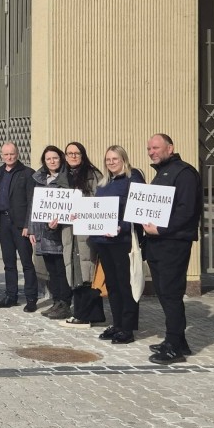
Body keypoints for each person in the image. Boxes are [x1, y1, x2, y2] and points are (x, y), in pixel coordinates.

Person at [143, 133, 202, 365]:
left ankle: (173, 347)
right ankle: (178, 340)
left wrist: (161, 229)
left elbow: (186, 212)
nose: (152, 152)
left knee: (171, 294)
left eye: (156, 148)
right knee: (165, 293)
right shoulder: (162, 174)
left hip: (173, 243)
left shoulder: (184, 173)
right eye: (149, 149)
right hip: (158, 243)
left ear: (170, 148)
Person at [90, 145, 145, 345]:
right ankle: (118, 323)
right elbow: (96, 210)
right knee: (112, 284)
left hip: (122, 241)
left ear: (123, 159)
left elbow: (139, 209)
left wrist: (122, 227)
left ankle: (128, 328)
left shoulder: (133, 178)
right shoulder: (104, 183)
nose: (111, 162)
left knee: (125, 284)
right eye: (108, 159)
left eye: (115, 159)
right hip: (103, 241)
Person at [0, 142, 38, 312]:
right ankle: (10, 296)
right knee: (8, 262)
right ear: (1, 155)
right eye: (6, 155)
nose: (9, 157)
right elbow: (4, 193)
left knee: (27, 263)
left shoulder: (28, 173)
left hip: (20, 225)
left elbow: (32, 201)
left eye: (12, 154)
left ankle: (31, 299)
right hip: (4, 221)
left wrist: (28, 226)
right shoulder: (0, 171)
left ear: (18, 153)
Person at [60, 141, 104, 326]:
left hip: (86, 231)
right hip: (68, 232)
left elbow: (100, 201)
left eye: (76, 153)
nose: (73, 156)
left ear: (83, 154)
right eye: (69, 153)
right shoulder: (62, 177)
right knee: (75, 272)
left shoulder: (93, 175)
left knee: (87, 273)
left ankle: (84, 315)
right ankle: (89, 314)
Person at [29, 146, 72, 320]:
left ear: (60, 159)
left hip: (59, 232)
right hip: (42, 232)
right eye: (48, 159)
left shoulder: (66, 179)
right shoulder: (39, 179)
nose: (52, 161)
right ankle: (56, 301)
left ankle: (65, 303)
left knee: (61, 270)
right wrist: (32, 229)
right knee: (51, 271)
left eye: (55, 158)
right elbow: (33, 206)